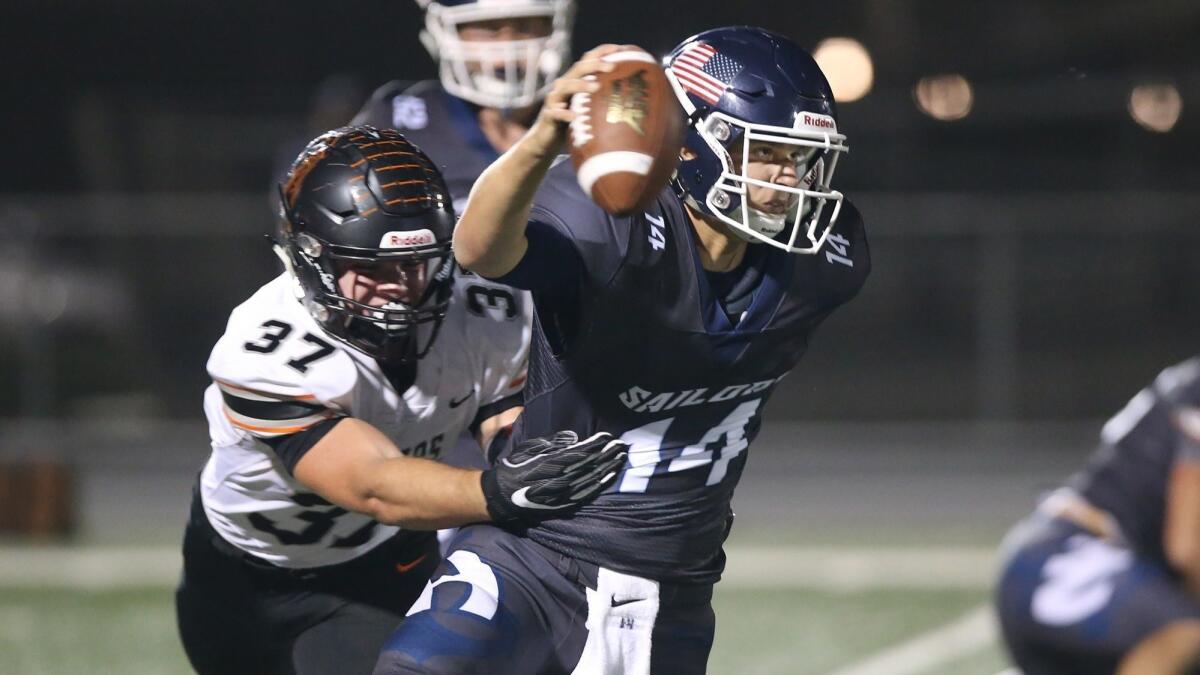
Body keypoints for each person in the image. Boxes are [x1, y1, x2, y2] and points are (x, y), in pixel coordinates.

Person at [374, 27, 870, 674]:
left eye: (803, 159)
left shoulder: (826, 262)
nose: (790, 181)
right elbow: (479, 251)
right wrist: (545, 140)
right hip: (534, 550)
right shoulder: (613, 227)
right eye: (768, 153)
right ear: (694, 147)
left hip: (668, 587)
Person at [175, 125, 627, 675]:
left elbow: (504, 419)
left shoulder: (484, 314)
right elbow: (373, 484)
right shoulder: (265, 350)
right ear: (311, 257)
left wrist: (521, 452)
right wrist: (499, 491)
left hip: (375, 572)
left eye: (413, 264)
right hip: (237, 576)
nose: (398, 285)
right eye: (370, 267)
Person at [995, 358, 1200, 674]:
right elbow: (1187, 550)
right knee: (1185, 633)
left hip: (1097, 569)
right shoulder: (1193, 394)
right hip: (1061, 556)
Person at [352, 0, 576, 209]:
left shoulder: (584, 118)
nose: (507, 46)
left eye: (525, 26)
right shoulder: (400, 120)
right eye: (487, 28)